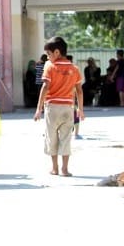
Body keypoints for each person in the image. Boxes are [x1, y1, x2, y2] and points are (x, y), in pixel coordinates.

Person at [33, 37, 84, 177]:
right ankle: (65, 169)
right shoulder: (74, 69)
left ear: (56, 52)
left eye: (48, 54)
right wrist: (80, 109)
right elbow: (79, 91)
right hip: (68, 108)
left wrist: (38, 109)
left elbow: (45, 87)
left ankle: (55, 168)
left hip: (52, 108)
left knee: (51, 137)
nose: (47, 57)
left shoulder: (50, 67)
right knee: (66, 137)